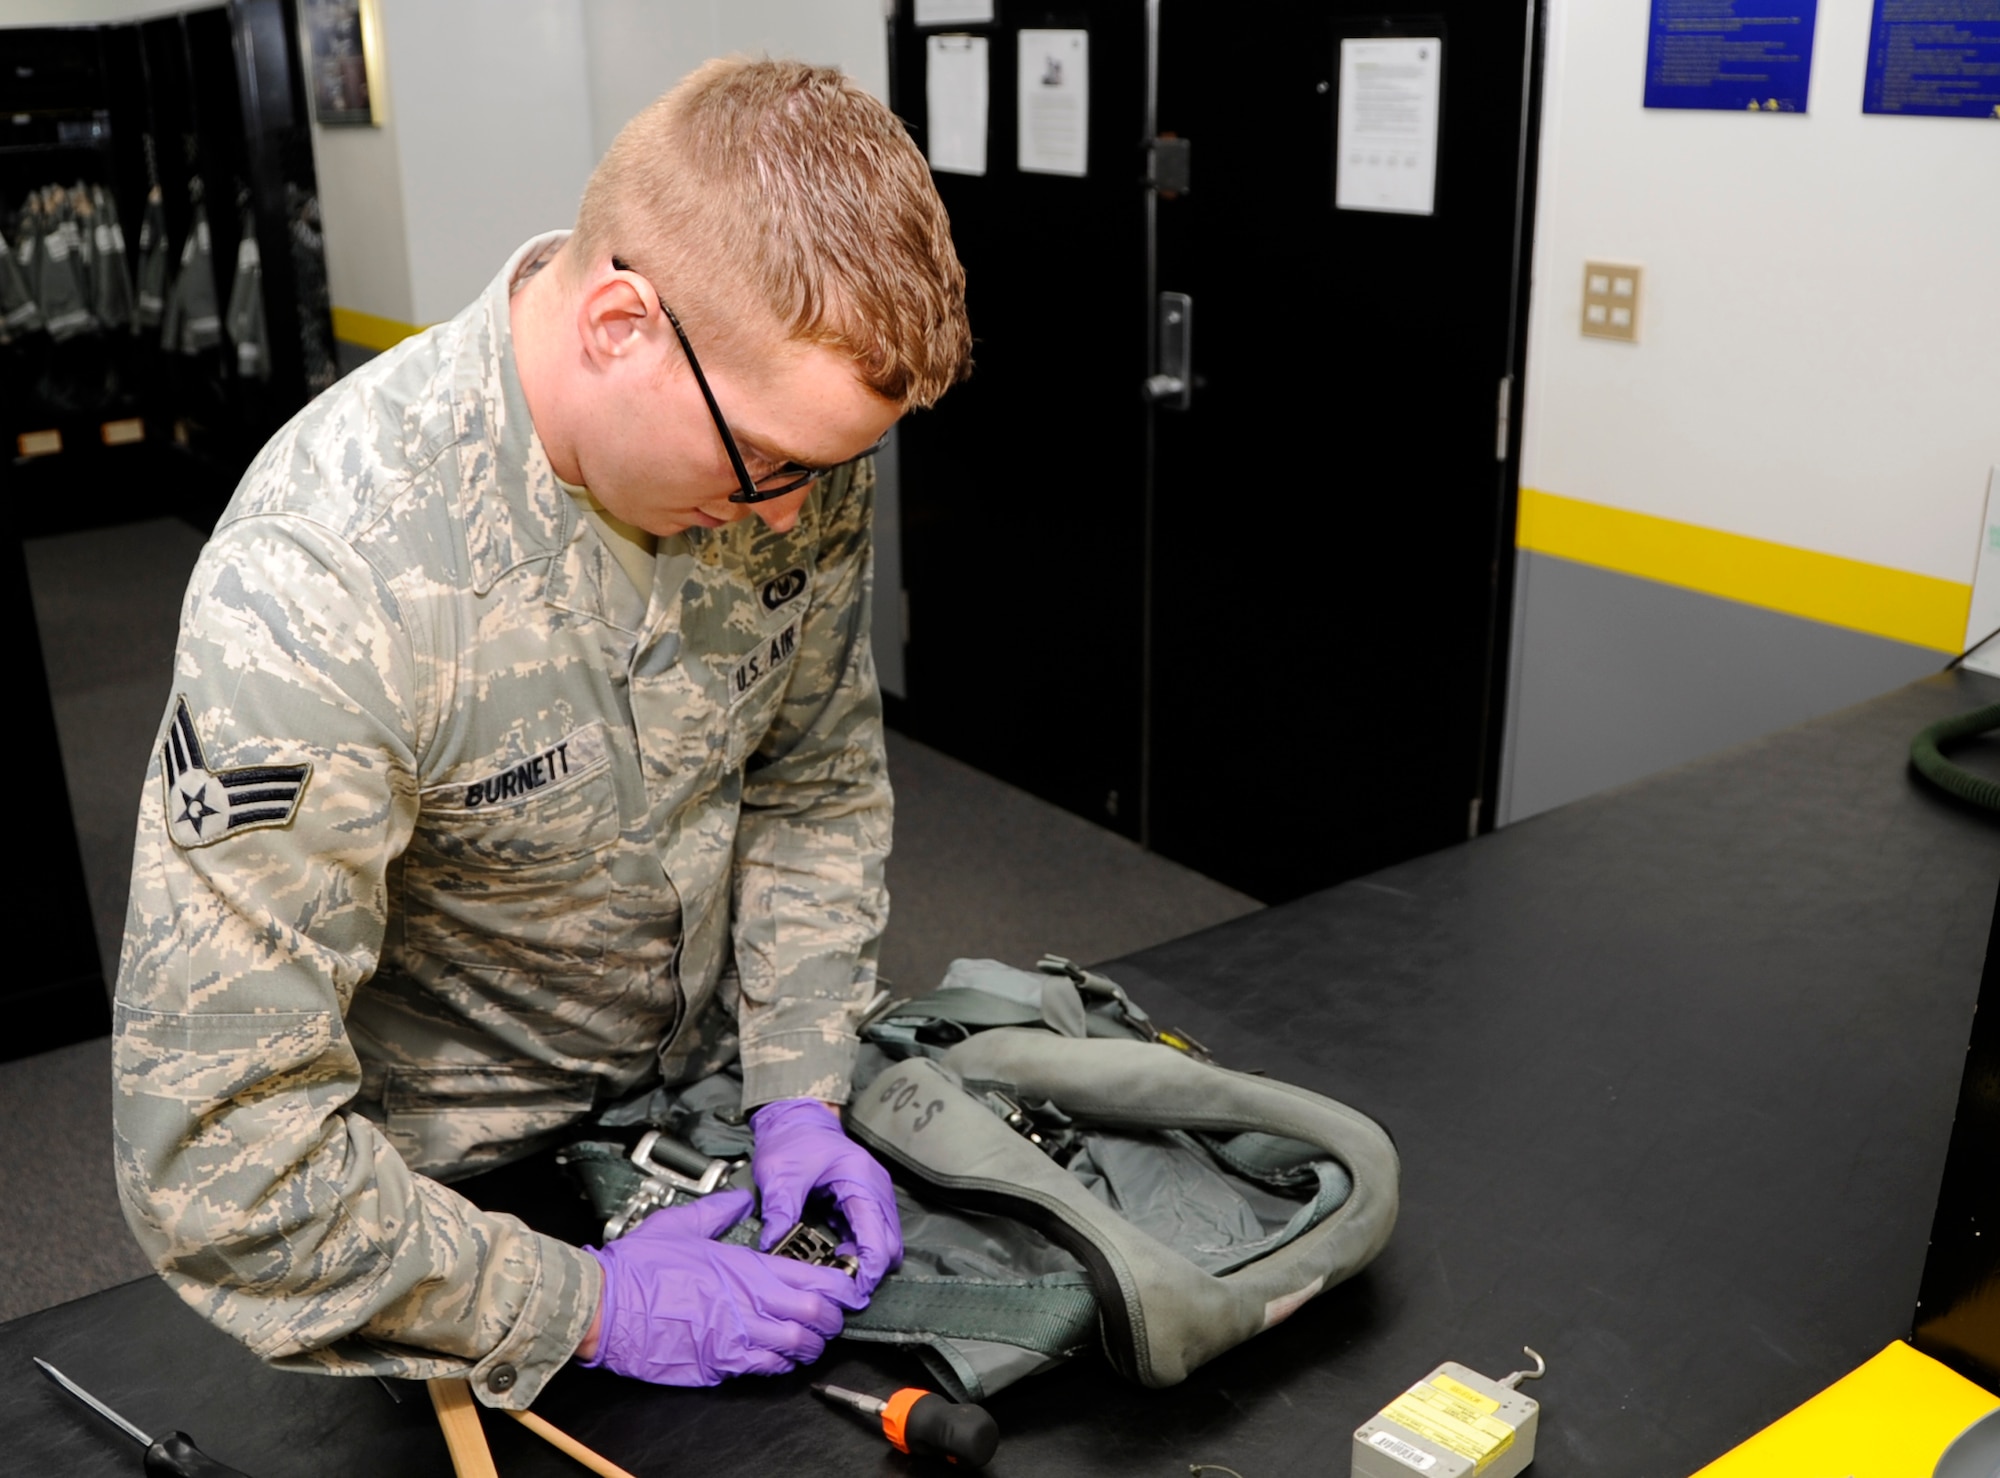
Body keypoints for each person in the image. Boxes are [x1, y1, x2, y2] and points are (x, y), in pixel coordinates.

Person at [111, 57, 971, 1410]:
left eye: (836, 468)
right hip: (438, 1233)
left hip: (694, 1124)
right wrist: (582, 1305)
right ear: (621, 323)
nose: (799, 514)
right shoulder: (325, 582)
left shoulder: (777, 462)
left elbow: (811, 777)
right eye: (769, 464)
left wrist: (799, 1083)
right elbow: (227, 1164)